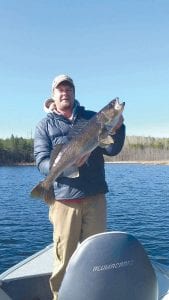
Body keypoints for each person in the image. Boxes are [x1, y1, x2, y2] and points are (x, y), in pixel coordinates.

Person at [33, 74, 125, 300]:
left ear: (74, 93)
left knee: (96, 258)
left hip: (95, 198)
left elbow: (112, 150)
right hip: (64, 202)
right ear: (53, 95)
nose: (65, 93)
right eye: (60, 90)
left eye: (69, 89)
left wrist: (117, 129)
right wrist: (64, 167)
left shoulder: (92, 118)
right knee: (64, 260)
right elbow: (41, 160)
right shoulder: (44, 125)